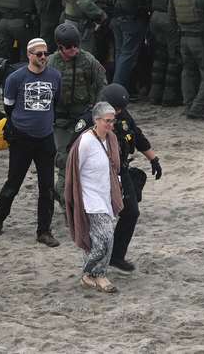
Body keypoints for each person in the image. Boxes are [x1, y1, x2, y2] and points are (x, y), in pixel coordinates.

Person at [71, 84, 161, 272]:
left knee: (131, 212)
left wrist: (153, 159)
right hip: (98, 176)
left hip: (120, 171)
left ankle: (117, 256)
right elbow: (72, 152)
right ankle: (92, 264)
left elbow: (137, 137)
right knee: (99, 220)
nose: (118, 113)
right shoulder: (89, 120)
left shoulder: (123, 117)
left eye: (121, 109)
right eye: (116, 109)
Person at [0, 38, 62, 247]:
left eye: (46, 53)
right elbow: (9, 107)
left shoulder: (55, 76)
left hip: (45, 137)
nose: (43, 57)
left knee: (46, 187)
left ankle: (44, 231)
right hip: (22, 138)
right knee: (14, 182)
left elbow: (55, 103)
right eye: (38, 54)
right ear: (29, 55)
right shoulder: (15, 78)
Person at [64, 101, 123, 293]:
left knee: (100, 241)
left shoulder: (111, 139)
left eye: (112, 121)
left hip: (105, 196)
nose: (111, 125)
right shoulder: (85, 142)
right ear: (96, 120)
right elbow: (73, 172)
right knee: (106, 238)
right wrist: (76, 199)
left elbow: (114, 167)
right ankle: (97, 274)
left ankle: (91, 275)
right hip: (90, 199)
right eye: (107, 121)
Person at [48, 22, 106, 205]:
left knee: (87, 159)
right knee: (64, 158)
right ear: (60, 47)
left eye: (76, 45)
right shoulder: (51, 63)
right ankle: (65, 201)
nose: (74, 50)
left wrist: (96, 111)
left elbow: (102, 86)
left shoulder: (88, 60)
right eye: (69, 47)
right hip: (60, 120)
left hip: (83, 116)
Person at [144, 0, 189, 106]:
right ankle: (169, 97)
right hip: (169, 19)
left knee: (159, 57)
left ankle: (155, 95)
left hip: (155, 16)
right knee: (173, 58)